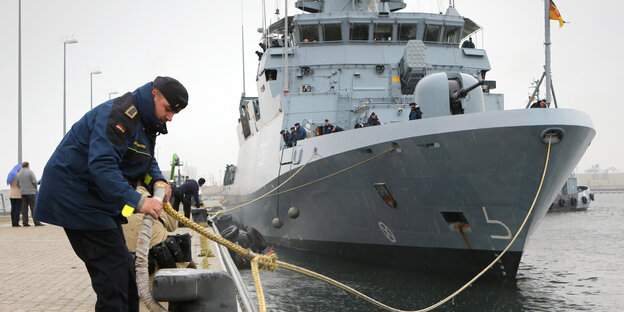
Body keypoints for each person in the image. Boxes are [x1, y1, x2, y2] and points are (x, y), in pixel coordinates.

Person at [34, 76, 188, 311]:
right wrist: (139, 201)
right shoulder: (121, 115)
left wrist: (157, 179)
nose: (169, 117)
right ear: (154, 94)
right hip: (77, 199)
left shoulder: (144, 122)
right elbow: (102, 166)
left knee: (126, 275)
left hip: (98, 203)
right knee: (113, 279)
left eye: (174, 114)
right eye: (168, 110)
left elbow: (144, 157)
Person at [16, 161, 42, 227]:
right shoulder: (30, 172)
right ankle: (36, 222)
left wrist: (22, 188)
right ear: (28, 166)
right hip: (31, 192)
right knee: (33, 207)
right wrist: (35, 189)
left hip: (23, 192)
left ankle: (25, 222)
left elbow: (17, 184)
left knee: (24, 208)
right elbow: (34, 181)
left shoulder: (19, 174)